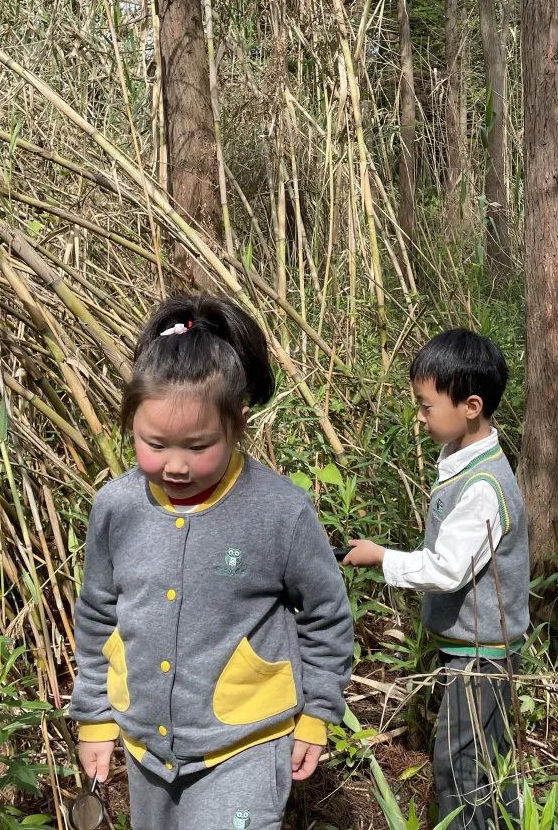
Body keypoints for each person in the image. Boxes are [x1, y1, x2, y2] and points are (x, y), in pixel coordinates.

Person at [70, 295, 354, 830]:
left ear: (238, 424)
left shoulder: (279, 512)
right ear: (131, 424)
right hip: (143, 743)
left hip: (245, 741)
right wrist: (94, 719)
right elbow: (97, 614)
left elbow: (325, 615)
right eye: (154, 443)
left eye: (199, 446)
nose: (175, 465)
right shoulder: (116, 508)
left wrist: (318, 712)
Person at [344, 329, 527, 830]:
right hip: (471, 651)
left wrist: (382, 557)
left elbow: (448, 568)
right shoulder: (463, 460)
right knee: (489, 758)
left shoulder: (485, 486)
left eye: (426, 406)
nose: (420, 417)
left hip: (481, 656)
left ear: (471, 405)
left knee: (462, 763)